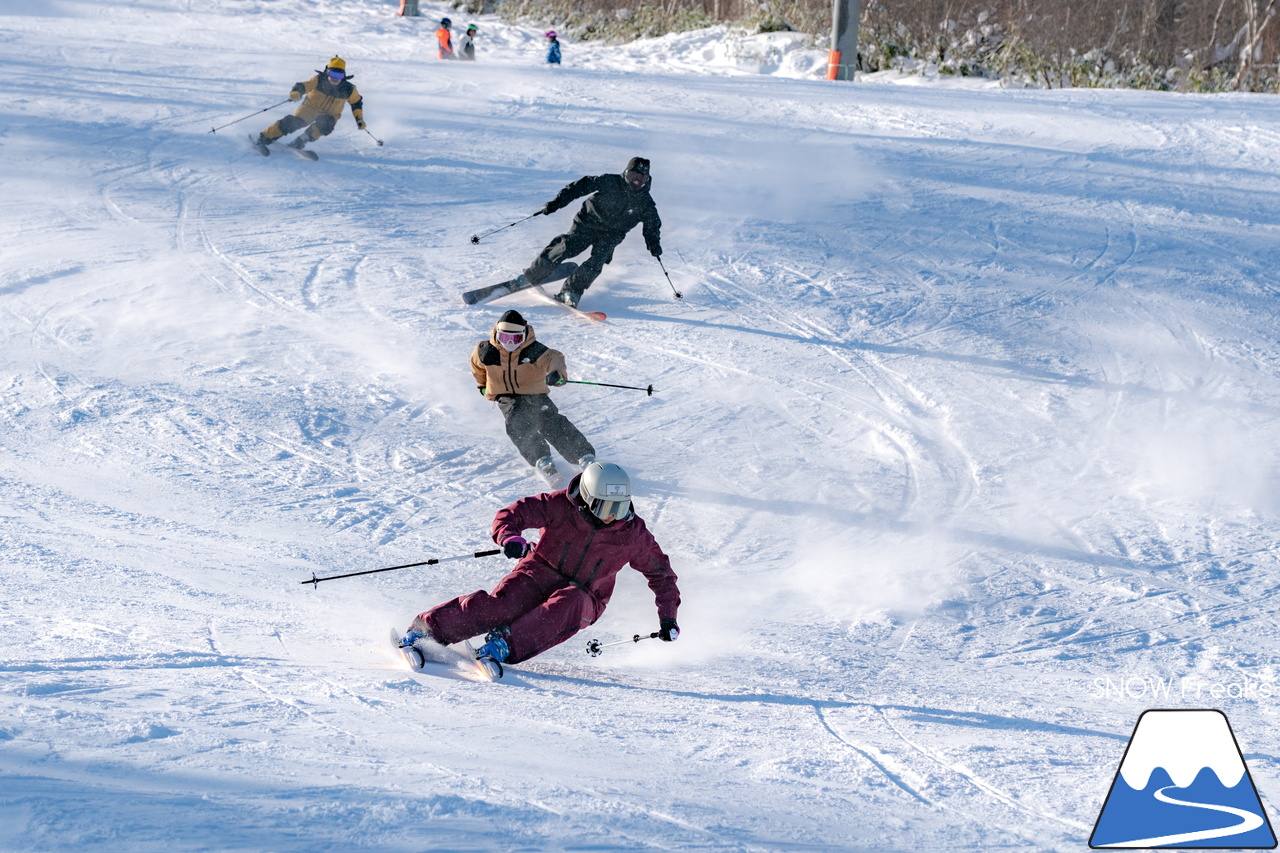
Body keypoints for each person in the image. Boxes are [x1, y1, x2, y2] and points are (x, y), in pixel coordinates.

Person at [398, 461, 681, 678]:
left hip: (586, 596)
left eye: (618, 508)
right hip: (538, 571)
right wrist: (509, 537)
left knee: (568, 603)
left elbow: (662, 576)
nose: (611, 515)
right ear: (586, 496)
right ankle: (427, 631)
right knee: (502, 607)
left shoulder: (632, 533)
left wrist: (668, 618)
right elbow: (513, 514)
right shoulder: (560, 505)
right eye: (604, 506)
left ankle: (503, 645)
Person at [471, 309, 595, 486]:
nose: (510, 344)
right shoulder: (485, 351)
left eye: (516, 339)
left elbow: (554, 358)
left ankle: (583, 455)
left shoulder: (532, 349)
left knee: (549, 420)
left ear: (523, 336)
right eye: (505, 338)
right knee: (517, 423)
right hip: (505, 396)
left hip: (534, 393)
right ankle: (542, 459)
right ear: (497, 334)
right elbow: (477, 367)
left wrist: (556, 374)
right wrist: (483, 386)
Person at [517, 157, 661, 308]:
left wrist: (654, 243)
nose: (636, 181)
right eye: (633, 175)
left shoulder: (646, 203)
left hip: (612, 234)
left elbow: (652, 226)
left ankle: (571, 291)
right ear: (626, 173)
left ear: (647, 179)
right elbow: (579, 187)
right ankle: (531, 276)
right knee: (568, 245)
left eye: (641, 177)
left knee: (599, 258)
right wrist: (557, 203)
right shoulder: (610, 181)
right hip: (588, 223)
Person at [252, 57, 365, 156]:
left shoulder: (349, 89)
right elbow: (303, 86)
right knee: (294, 122)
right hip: (310, 108)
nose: (335, 78)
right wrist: (296, 93)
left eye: (339, 75)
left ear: (344, 76)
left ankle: (300, 142)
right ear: (327, 72)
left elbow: (356, 103)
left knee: (326, 125)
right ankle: (263, 138)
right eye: (332, 74)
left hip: (330, 114)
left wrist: (359, 119)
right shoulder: (319, 80)